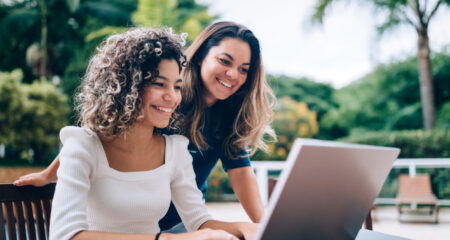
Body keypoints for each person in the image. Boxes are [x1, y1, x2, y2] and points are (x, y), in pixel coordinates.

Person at [15, 21, 276, 233]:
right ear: (199, 58)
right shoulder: (165, 102)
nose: (233, 74)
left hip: (177, 221)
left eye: (244, 68)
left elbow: (240, 176)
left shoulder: (211, 126)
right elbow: (97, 134)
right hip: (145, 227)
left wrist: (260, 227)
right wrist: (50, 173)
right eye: (225, 61)